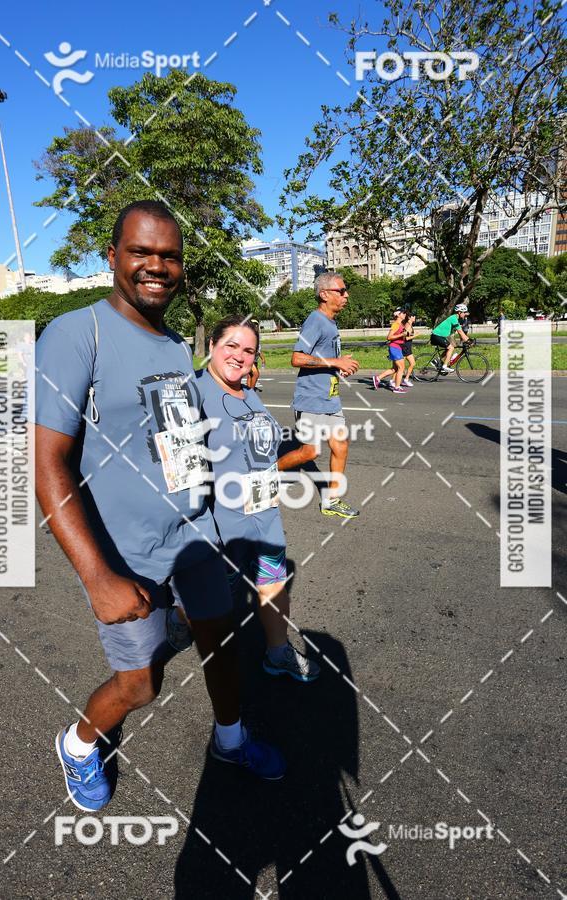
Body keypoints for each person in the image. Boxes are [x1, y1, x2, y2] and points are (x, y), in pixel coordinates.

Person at [35, 201, 285, 813]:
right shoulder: (76, 333)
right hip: (126, 552)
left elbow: (179, 436)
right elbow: (46, 463)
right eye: (141, 252)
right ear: (113, 256)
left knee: (219, 643)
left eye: (169, 256)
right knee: (140, 684)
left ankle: (231, 739)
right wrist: (98, 576)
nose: (156, 266)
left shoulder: (177, 344)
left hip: (195, 538)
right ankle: (78, 741)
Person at [166, 315, 320, 684]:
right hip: (221, 527)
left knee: (273, 584)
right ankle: (179, 616)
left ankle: (277, 652)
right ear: (211, 348)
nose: (240, 356)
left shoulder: (249, 392)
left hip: (265, 517)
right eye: (231, 346)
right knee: (211, 602)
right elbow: (179, 474)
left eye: (249, 350)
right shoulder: (191, 393)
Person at [277, 272, 360, 520]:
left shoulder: (331, 323)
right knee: (309, 453)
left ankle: (332, 500)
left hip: (330, 397)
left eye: (345, 291)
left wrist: (336, 368)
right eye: (341, 291)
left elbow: (321, 360)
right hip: (311, 398)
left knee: (340, 445)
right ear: (324, 294)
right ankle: (268, 473)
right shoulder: (315, 320)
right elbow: (297, 358)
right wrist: (334, 361)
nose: (346, 295)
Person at [373, 308, 408, 393]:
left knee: (395, 369)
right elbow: (389, 337)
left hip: (398, 347)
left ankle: (378, 378)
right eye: (403, 313)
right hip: (395, 347)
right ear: (398, 315)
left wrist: (405, 335)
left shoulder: (401, 324)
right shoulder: (396, 324)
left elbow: (402, 336)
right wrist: (401, 334)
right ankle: (397, 387)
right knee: (401, 368)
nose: (405, 315)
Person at [430, 303, 470, 372]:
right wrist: (469, 340)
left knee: (450, 347)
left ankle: (436, 361)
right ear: (459, 312)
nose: (465, 314)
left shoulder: (455, 318)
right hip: (437, 336)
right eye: (464, 313)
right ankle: (444, 366)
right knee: (451, 348)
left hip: (439, 336)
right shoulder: (453, 319)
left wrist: (467, 339)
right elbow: (460, 332)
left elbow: (460, 333)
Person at [246, 318, 266, 391]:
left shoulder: (257, 335)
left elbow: (259, 349)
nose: (255, 326)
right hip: (249, 358)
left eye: (256, 324)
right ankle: (251, 392)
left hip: (255, 358)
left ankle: (248, 391)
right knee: (256, 374)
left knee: (250, 375)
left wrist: (263, 358)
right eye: (253, 325)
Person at [401, 312, 416, 387]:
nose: (415, 317)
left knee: (412, 363)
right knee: (400, 367)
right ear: (410, 317)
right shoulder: (408, 325)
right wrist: (415, 336)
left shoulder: (410, 324)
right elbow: (405, 338)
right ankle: (393, 381)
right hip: (405, 347)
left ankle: (406, 379)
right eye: (414, 316)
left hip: (408, 347)